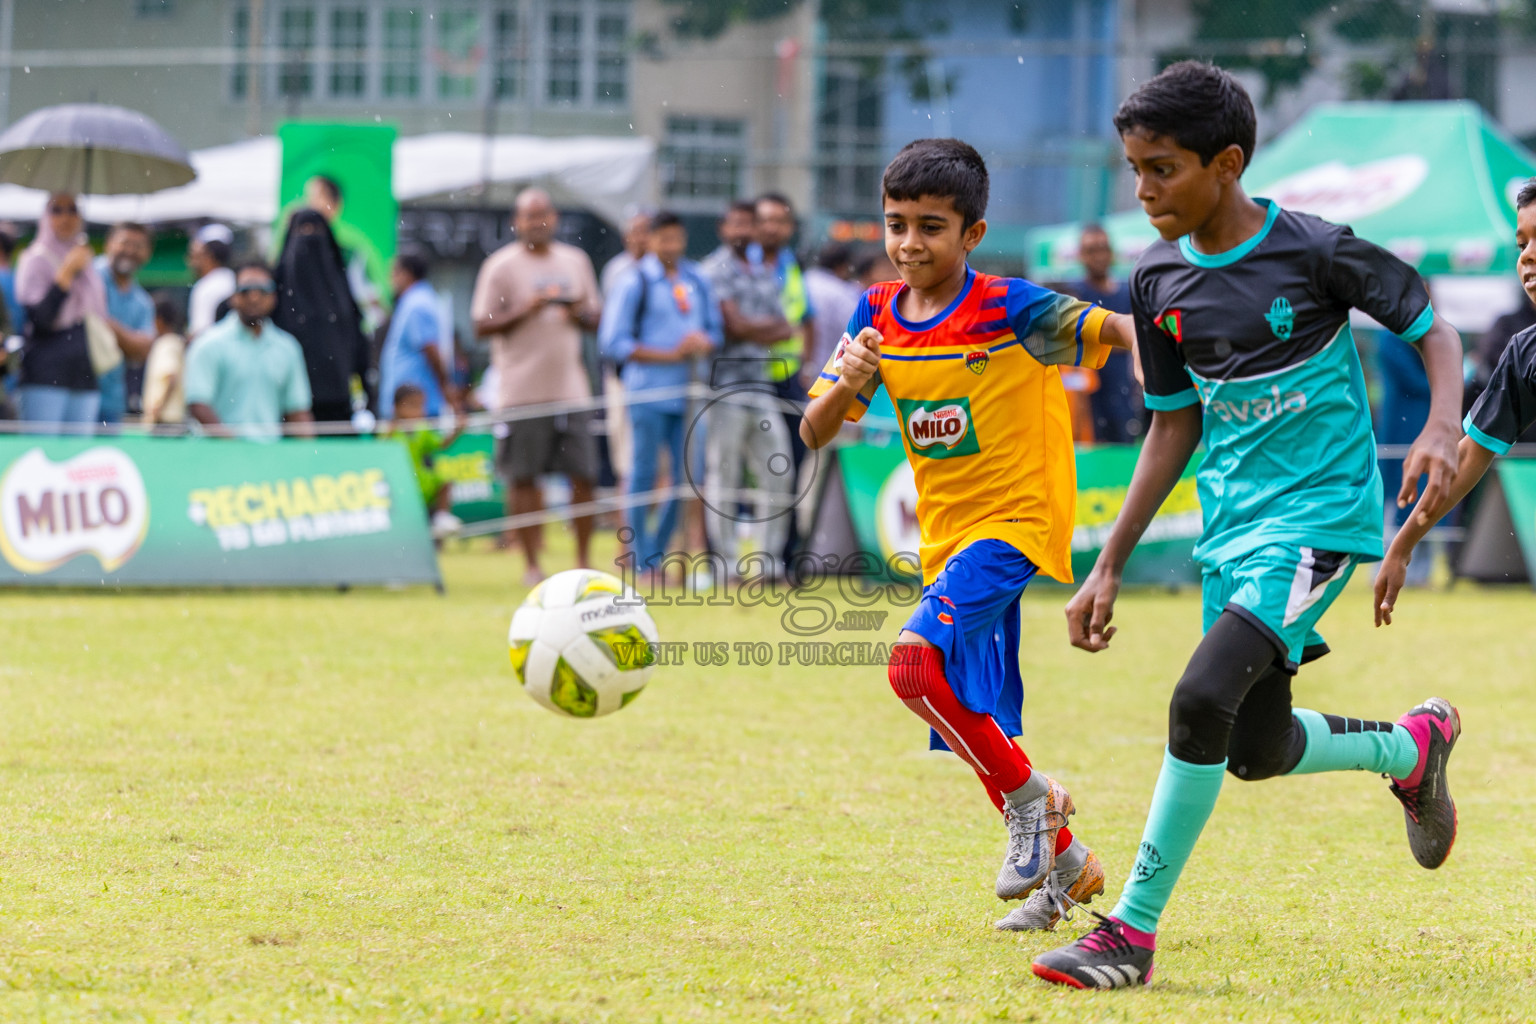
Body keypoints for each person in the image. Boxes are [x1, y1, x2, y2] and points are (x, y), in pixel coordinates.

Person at [1033, 62, 1465, 990]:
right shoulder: (1155, 280)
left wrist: (1439, 424)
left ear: (1226, 164)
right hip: (1230, 531)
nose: (1143, 191)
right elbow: (1172, 425)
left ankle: (1131, 934)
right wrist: (1108, 563)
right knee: (1253, 751)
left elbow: (1434, 328)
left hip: (1319, 520)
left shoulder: (1315, 250)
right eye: (1134, 170)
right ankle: (1410, 750)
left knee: (1197, 700)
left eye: (1162, 169)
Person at [800, 139, 1135, 935]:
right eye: (896, 224)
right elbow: (813, 431)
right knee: (974, 714)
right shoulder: (875, 314)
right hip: (946, 541)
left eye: (931, 227)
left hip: (1017, 522)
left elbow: (1122, 329)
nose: (909, 243)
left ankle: (1036, 806)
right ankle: (1068, 864)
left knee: (913, 666)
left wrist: (1174, 349)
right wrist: (850, 380)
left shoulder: (1011, 308)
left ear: (973, 233)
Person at [1378, 177, 1536, 623]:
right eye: (1521, 243)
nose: (1526, 255)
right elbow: (1469, 454)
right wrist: (1402, 546)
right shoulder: (1524, 353)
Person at [471, 187, 603, 585]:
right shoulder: (500, 266)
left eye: (543, 214)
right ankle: (531, 563)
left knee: (584, 475)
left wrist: (577, 312)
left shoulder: (575, 260)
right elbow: (480, 325)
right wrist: (523, 310)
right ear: (517, 221)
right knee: (524, 478)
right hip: (520, 392)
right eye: (529, 216)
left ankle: (582, 561)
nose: (537, 222)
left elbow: (596, 319)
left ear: (555, 218)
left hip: (571, 390)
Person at [599, 211, 721, 578]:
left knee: (688, 477)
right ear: (649, 240)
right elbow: (614, 342)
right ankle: (643, 559)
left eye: (677, 238)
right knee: (643, 475)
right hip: (647, 392)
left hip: (689, 394)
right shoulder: (633, 281)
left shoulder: (696, 279)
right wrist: (669, 354)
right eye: (664, 239)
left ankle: (657, 551)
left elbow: (715, 331)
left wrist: (703, 342)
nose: (671, 246)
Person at [700, 200, 797, 580]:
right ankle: (725, 565)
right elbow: (733, 326)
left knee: (779, 471)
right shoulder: (713, 269)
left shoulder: (761, 271)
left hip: (761, 385)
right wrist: (759, 328)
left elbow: (785, 327)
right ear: (723, 229)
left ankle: (769, 563)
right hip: (723, 389)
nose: (742, 231)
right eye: (735, 224)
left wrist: (751, 328)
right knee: (725, 477)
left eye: (748, 224)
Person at [185, 260, 315, 441]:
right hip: (217, 454)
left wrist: (310, 452)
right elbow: (198, 404)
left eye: (262, 290)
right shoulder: (208, 344)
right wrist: (234, 447)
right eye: (246, 290)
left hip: (269, 454)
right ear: (233, 297)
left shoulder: (288, 348)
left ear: (274, 297)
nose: (254, 298)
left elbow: (297, 410)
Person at [755, 193, 816, 568]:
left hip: (789, 379)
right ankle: (727, 558)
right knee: (744, 470)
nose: (772, 228)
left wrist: (806, 365)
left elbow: (806, 317)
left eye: (780, 221)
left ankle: (786, 555)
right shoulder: (743, 264)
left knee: (791, 465)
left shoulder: (791, 264)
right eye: (766, 220)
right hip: (749, 380)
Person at [272, 208, 372, 425]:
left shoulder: (342, 292)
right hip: (287, 404)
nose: (309, 237)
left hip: (337, 402)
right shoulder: (276, 292)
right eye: (303, 230)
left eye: (316, 230)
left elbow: (358, 345)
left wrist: (367, 391)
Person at [15, 192, 105, 430]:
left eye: (73, 210)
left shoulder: (88, 263)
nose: (66, 217)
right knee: (43, 450)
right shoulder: (35, 259)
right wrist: (66, 272)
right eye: (57, 210)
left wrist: (80, 267)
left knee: (80, 452)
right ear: (46, 216)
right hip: (46, 376)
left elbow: (98, 315)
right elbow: (41, 319)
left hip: (84, 376)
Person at [1066, 224, 1143, 442]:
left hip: (1124, 392)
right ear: (1081, 255)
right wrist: (1123, 338)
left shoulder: (1127, 292)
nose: (1099, 256)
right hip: (1087, 396)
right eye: (1092, 250)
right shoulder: (1074, 294)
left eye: (1103, 248)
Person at [303, 173, 389, 333]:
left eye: (317, 197)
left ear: (335, 204)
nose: (310, 203)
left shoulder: (350, 249)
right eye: (308, 197)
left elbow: (372, 302)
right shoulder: (296, 245)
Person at [378, 250, 454, 421]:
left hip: (414, 407)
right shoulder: (413, 300)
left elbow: (431, 349)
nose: (391, 278)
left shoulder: (417, 304)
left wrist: (445, 388)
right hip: (407, 404)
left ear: (407, 273)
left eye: (395, 272)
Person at [94, 222, 157, 423]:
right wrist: (127, 339)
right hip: (72, 391)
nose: (130, 251)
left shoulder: (142, 301)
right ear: (108, 244)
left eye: (138, 246)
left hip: (112, 398)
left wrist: (111, 327)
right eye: (124, 243)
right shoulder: (89, 276)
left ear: (147, 253)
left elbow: (143, 350)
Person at [385, 383, 464, 541]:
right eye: (412, 406)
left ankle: (441, 518)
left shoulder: (423, 429)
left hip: (421, 481)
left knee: (444, 482)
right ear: (396, 408)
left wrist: (456, 431)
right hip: (399, 485)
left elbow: (441, 444)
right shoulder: (390, 431)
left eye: (421, 406)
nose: (419, 412)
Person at [804, 241, 861, 377]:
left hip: (799, 364)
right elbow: (855, 332)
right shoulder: (842, 292)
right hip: (828, 368)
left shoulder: (804, 279)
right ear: (843, 266)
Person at [141, 295, 187, 427]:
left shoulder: (166, 344)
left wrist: (157, 409)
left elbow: (171, 377)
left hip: (165, 420)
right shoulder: (175, 342)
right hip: (171, 418)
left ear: (159, 320)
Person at [186, 224, 235, 340]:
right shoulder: (233, 278)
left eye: (193, 255)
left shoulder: (205, 287)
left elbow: (199, 334)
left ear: (208, 255)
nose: (190, 261)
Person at [601, 207, 652, 298]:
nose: (642, 239)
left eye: (646, 231)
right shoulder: (616, 269)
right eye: (636, 232)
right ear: (625, 237)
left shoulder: (664, 267)